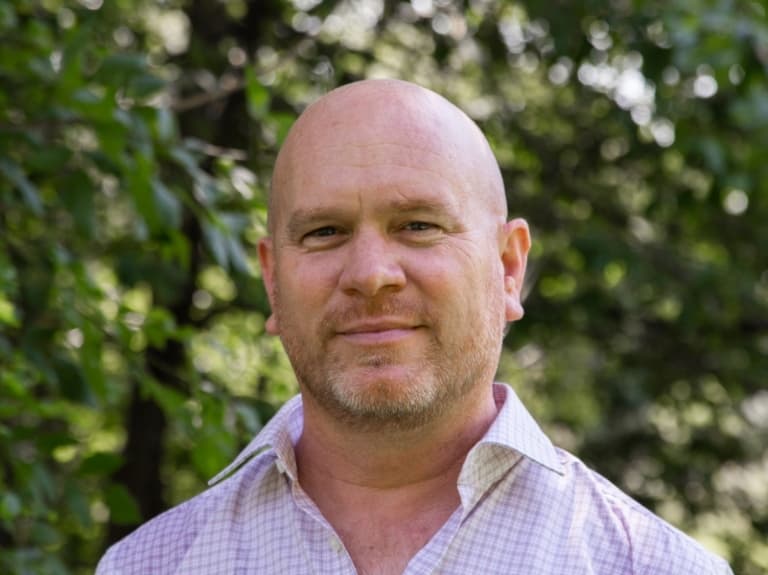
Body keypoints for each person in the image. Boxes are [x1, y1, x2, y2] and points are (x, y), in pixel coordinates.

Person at [96, 79, 732, 575]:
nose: (372, 274)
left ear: (508, 268)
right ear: (272, 280)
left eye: (419, 225)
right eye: (324, 233)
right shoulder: (147, 567)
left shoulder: (652, 568)